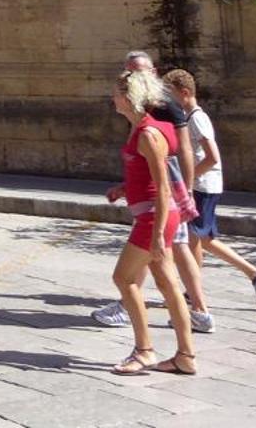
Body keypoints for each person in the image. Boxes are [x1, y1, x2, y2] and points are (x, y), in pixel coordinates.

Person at [95, 51, 211, 333]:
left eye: (139, 72)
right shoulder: (142, 118)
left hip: (163, 201)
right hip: (156, 201)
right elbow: (145, 162)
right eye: (130, 71)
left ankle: (198, 312)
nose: (134, 76)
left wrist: (185, 190)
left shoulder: (161, 111)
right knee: (166, 273)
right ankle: (186, 340)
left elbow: (181, 151)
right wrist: (126, 187)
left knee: (162, 261)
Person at [106, 65, 197, 375]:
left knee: (124, 278)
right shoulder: (143, 128)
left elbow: (162, 186)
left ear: (130, 97)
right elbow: (146, 176)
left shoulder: (147, 133)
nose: (113, 98)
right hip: (154, 214)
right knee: (168, 283)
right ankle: (185, 356)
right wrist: (124, 188)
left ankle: (144, 349)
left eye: (117, 93)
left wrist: (158, 234)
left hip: (154, 217)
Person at [163, 69, 256, 307]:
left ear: (185, 93)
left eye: (170, 95)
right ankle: (199, 290)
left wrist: (187, 181)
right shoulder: (191, 118)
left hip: (202, 186)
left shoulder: (195, 119)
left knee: (199, 240)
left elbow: (212, 157)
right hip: (204, 186)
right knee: (198, 240)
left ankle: (253, 274)